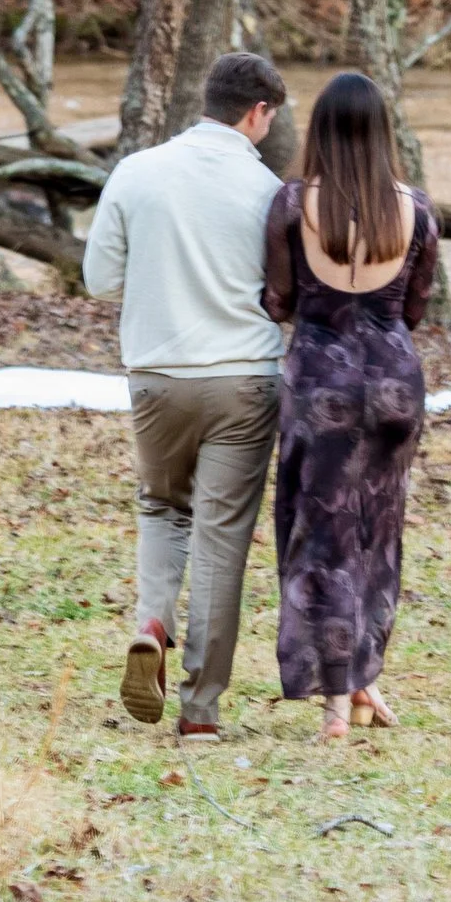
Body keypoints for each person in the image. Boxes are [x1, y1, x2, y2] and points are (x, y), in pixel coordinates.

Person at [82, 50, 289, 741]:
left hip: (157, 375)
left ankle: (152, 620)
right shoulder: (268, 192)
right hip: (245, 378)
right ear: (257, 113)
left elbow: (97, 278)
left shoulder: (137, 172)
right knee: (222, 537)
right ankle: (201, 710)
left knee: (160, 504)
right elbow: (285, 295)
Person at [261, 68, 438, 742]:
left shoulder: (291, 204)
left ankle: (336, 699)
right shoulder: (416, 209)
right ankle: (364, 675)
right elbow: (415, 306)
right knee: (377, 532)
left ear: (321, 132)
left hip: (319, 382)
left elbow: (277, 301)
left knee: (319, 534)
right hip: (395, 381)